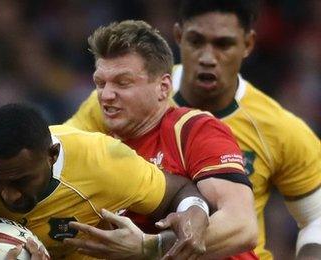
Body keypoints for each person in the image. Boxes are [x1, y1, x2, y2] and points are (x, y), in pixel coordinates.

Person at [66, 0, 321, 259]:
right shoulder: (111, 103)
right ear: (178, 37)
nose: (208, 58)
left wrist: (149, 247)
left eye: (223, 44)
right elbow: (56, 160)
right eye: (196, 41)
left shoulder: (276, 128)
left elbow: (311, 219)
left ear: (248, 44)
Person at [0, 103, 212, 259]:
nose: (8, 195)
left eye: (21, 180)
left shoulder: (103, 161)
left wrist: (195, 210)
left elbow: (180, 191)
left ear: (52, 155)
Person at [64, 20, 258, 259]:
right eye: (100, 83)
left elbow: (242, 227)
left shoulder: (193, 131)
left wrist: (151, 247)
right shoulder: (97, 150)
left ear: (163, 87)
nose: (105, 95)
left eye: (122, 83)